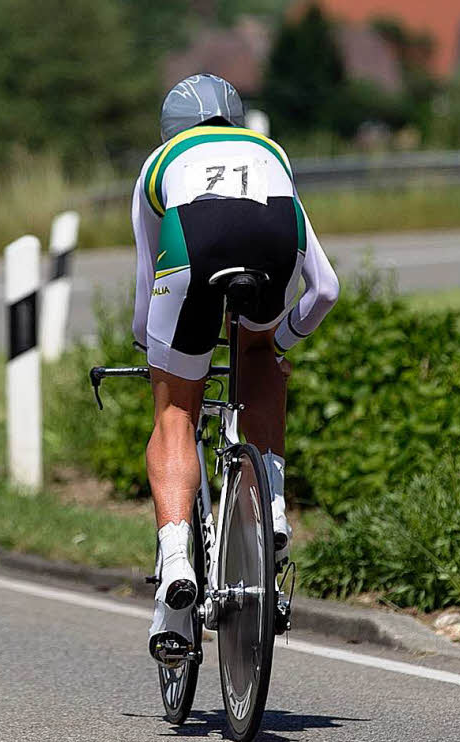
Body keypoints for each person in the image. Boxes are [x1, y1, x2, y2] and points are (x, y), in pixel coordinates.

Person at [132, 74, 339, 664]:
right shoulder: (272, 155)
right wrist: (280, 340)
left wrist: (156, 352)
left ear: (171, 130)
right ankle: (270, 508)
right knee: (259, 358)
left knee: (174, 411)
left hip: (193, 245)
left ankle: (176, 566)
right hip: (269, 237)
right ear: (236, 119)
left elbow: (148, 290)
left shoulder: (159, 164)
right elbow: (325, 288)